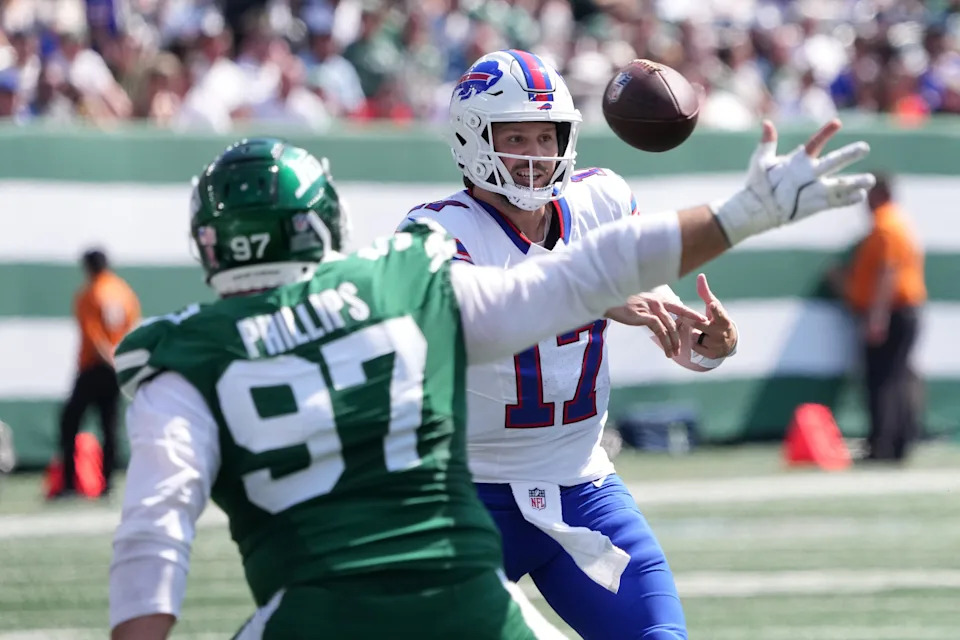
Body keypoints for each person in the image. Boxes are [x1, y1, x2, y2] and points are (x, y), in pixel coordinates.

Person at [108, 126, 872, 640]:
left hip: (315, 605)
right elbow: (581, 278)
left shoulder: (179, 353)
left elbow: (153, 532)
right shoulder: (404, 284)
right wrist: (743, 213)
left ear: (209, 242)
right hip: (462, 577)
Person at [400, 49, 871, 640]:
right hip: (464, 497)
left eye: (545, 138)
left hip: (580, 486)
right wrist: (592, 292)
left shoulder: (600, 201)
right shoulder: (436, 232)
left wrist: (710, 345)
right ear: (472, 139)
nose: (532, 155)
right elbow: (483, 315)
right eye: (514, 135)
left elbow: (673, 331)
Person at [841, 173, 926, 461]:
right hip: (905, 310)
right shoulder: (901, 223)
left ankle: (883, 445)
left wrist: (877, 316)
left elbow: (887, 271)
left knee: (882, 379)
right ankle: (899, 442)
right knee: (898, 377)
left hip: (891, 311)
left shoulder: (885, 226)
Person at [52, 248, 140, 500]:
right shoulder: (123, 290)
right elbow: (132, 326)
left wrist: (108, 358)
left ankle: (69, 483)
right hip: (116, 366)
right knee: (109, 426)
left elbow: (94, 335)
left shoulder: (90, 293)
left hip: (95, 366)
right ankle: (108, 483)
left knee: (70, 422)